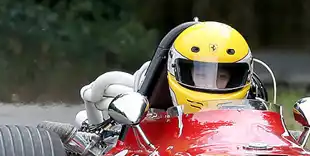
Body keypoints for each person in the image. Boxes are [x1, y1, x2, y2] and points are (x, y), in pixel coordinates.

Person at [76, 20, 255, 127]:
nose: (210, 84)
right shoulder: (151, 122)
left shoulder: (252, 124)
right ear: (179, 72)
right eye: (202, 75)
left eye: (221, 77)